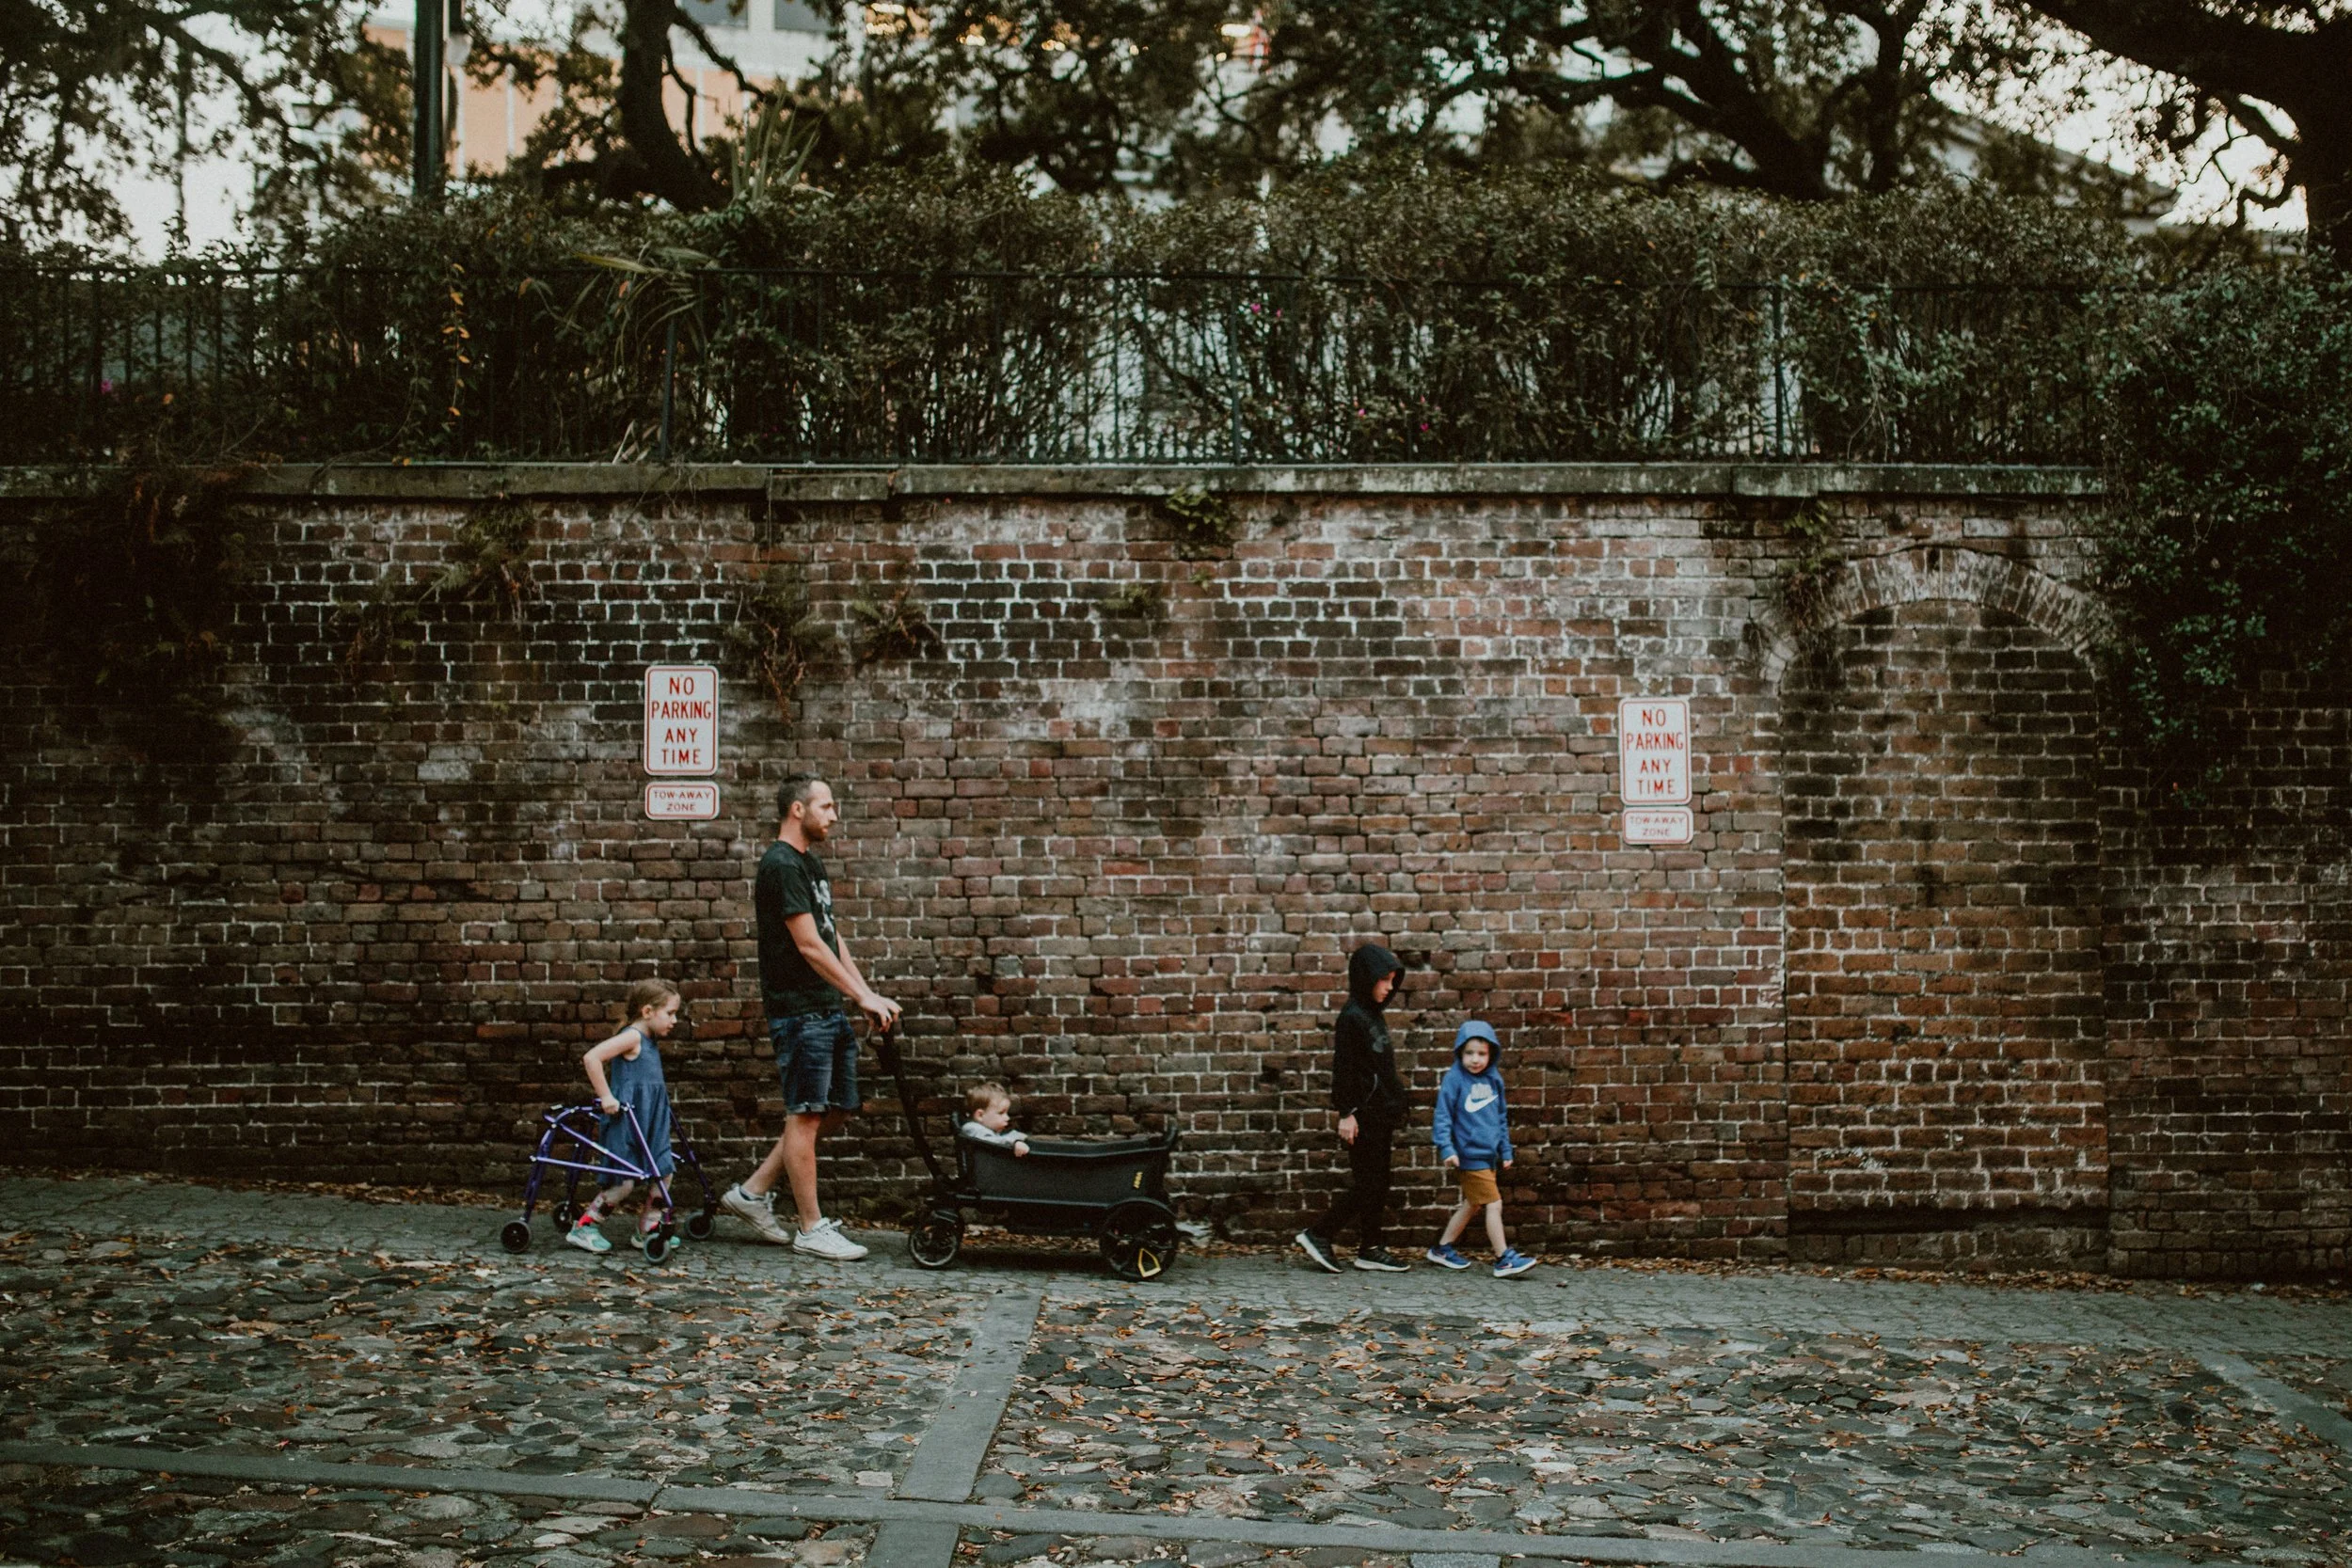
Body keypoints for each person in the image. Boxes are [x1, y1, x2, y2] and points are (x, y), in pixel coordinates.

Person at [721, 774, 902, 1260]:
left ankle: (751, 1194)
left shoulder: (811, 864)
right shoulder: (779, 865)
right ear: (797, 810)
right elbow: (804, 944)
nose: (834, 814)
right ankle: (810, 1227)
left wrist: (865, 994)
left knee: (836, 1108)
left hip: (827, 1006)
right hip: (799, 1011)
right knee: (805, 1115)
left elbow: (830, 939)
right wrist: (859, 998)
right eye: (825, 805)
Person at [1295, 942, 1413, 1273]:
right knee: (1368, 1185)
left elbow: (1380, 1068)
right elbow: (1344, 1069)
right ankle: (1319, 1233)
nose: (1390, 987)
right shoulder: (1352, 1018)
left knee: (1379, 1182)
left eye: (1393, 980)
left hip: (1380, 1114)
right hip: (1362, 1116)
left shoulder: (1373, 1016)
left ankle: (1370, 1247)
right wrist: (1346, 1113)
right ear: (1367, 978)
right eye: (1384, 980)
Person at [568, 979, 684, 1255]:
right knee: (624, 1182)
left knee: (664, 1172)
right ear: (647, 1012)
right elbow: (592, 1058)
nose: (675, 1020)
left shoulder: (651, 1041)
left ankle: (648, 1228)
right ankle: (584, 1226)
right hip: (628, 1121)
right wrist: (607, 1097)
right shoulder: (632, 1037)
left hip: (652, 1121)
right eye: (670, 1013)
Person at [1424, 1020, 1536, 1278]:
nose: (1475, 1059)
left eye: (1482, 1054)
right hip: (1467, 1154)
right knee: (1494, 1203)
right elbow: (1443, 1116)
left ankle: (1441, 1249)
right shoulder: (1454, 1079)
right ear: (1460, 1053)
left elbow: (1500, 1118)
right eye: (1469, 1053)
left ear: (1491, 1054)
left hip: (1488, 1156)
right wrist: (1446, 1148)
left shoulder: (1494, 1080)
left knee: (1473, 1203)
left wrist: (1505, 1151)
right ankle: (1503, 1258)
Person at [959, 1082, 1031, 1155]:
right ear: (980, 1115)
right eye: (1001, 1113)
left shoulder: (986, 1130)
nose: (1007, 1118)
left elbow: (999, 1138)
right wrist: (1013, 1143)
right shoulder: (972, 1129)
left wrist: (1019, 1137)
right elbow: (992, 1143)